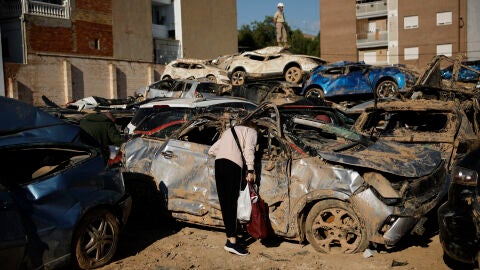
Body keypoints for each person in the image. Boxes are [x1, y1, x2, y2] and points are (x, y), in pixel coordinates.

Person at [208, 120, 258, 256]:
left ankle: (231, 238)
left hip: (219, 164)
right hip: (233, 166)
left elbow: (212, 150)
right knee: (231, 204)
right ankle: (232, 243)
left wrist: (227, 152)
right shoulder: (251, 131)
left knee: (225, 204)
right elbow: (249, 149)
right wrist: (250, 170)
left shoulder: (228, 131)